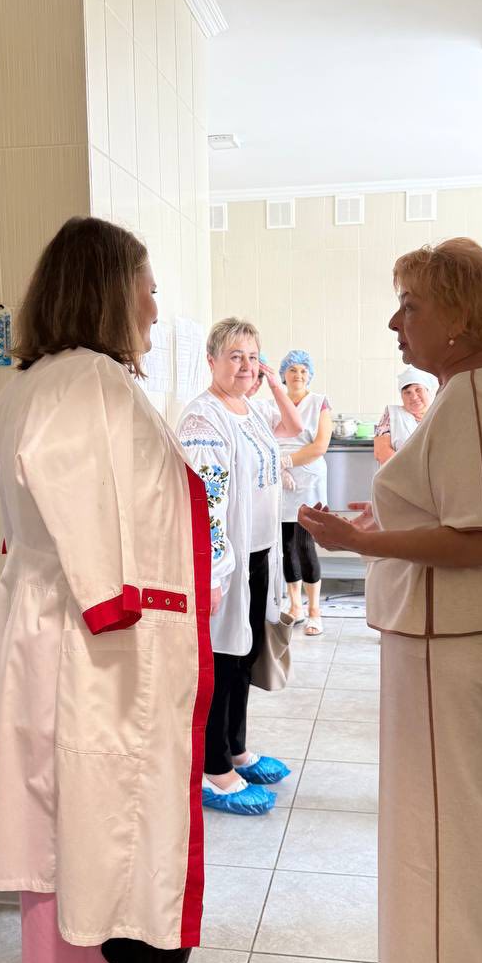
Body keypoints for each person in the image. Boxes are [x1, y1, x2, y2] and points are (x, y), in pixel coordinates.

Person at [0, 218, 207, 963]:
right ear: (108, 290)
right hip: (97, 666)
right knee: (87, 874)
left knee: (105, 875)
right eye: (144, 286)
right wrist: (123, 615)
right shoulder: (87, 385)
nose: (153, 306)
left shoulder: (42, 382)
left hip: (74, 653)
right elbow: (100, 557)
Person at [300, 238, 482, 963]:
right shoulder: (473, 389)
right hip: (449, 633)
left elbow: (480, 538)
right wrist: (385, 521)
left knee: (441, 830)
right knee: (450, 822)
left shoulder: (472, 397)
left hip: (451, 639)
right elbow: (456, 510)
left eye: (411, 306)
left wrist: (363, 545)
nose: (395, 322)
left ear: (459, 318)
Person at [177, 319, 303, 815]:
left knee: (244, 656)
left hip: (257, 554)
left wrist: (270, 381)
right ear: (211, 361)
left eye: (252, 356)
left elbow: (292, 431)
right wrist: (214, 572)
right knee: (221, 663)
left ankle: (236, 748)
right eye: (235, 356)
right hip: (224, 562)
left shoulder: (249, 410)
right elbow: (206, 502)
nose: (246, 366)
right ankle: (214, 770)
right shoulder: (203, 419)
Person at [271, 349, 332, 635]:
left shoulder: (319, 402)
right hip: (279, 480)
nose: (298, 375)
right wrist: (278, 467)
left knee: (304, 544)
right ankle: (295, 606)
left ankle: (314, 611)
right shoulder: (273, 403)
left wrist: (288, 462)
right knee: (285, 546)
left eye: (303, 371)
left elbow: (320, 445)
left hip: (308, 478)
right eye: (293, 369)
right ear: (283, 374)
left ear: (310, 375)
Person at [373, 365, 436, 464]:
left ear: (428, 391)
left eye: (418, 389)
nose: (414, 397)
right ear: (402, 396)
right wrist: (411, 469)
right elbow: (381, 452)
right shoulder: (392, 414)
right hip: (398, 472)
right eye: (407, 392)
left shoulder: (439, 414)